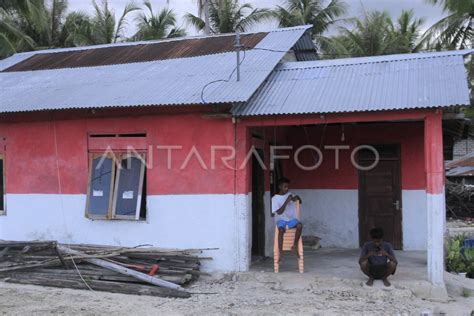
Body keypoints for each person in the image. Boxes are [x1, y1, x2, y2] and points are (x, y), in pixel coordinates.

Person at [271, 177, 303, 259]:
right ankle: (280, 253)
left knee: (300, 225)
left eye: (287, 187)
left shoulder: (290, 195)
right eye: (285, 187)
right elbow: (279, 212)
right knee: (281, 230)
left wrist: (298, 198)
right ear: (280, 187)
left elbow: (300, 201)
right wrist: (286, 201)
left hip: (291, 220)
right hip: (281, 220)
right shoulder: (275, 199)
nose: (287, 188)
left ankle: (295, 245)